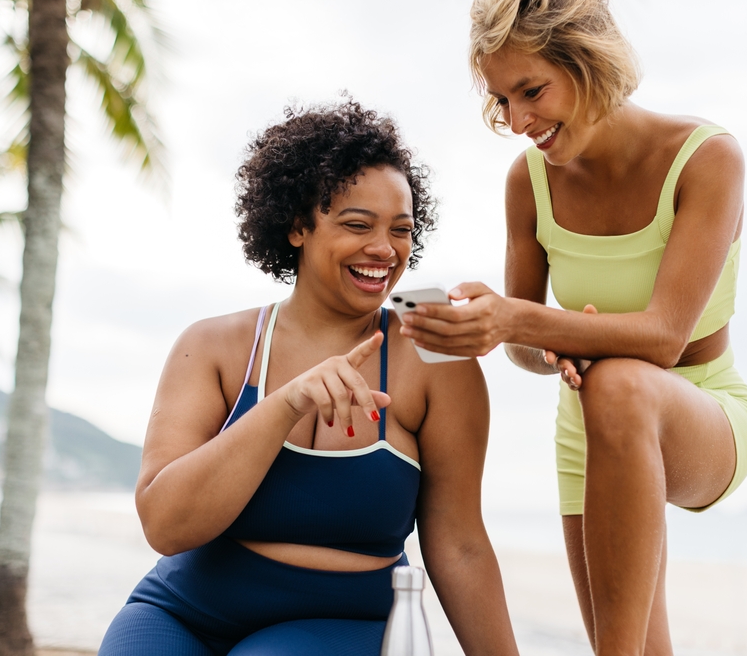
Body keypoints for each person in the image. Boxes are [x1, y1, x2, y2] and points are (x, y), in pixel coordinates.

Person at [398, 0, 747, 654]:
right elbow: (530, 350)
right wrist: (533, 340)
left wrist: (521, 320)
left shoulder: (708, 159)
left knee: (622, 380)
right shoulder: (527, 183)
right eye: (503, 100)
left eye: (531, 90)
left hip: (703, 407)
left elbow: (663, 337)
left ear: (589, 61)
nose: (517, 120)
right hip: (589, 427)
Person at [98, 100, 519, 656]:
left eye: (401, 230)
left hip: (341, 621)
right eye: (356, 225)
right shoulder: (213, 346)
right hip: (184, 610)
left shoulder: (433, 350)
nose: (383, 249)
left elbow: (460, 543)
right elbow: (165, 525)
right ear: (298, 226)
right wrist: (283, 405)